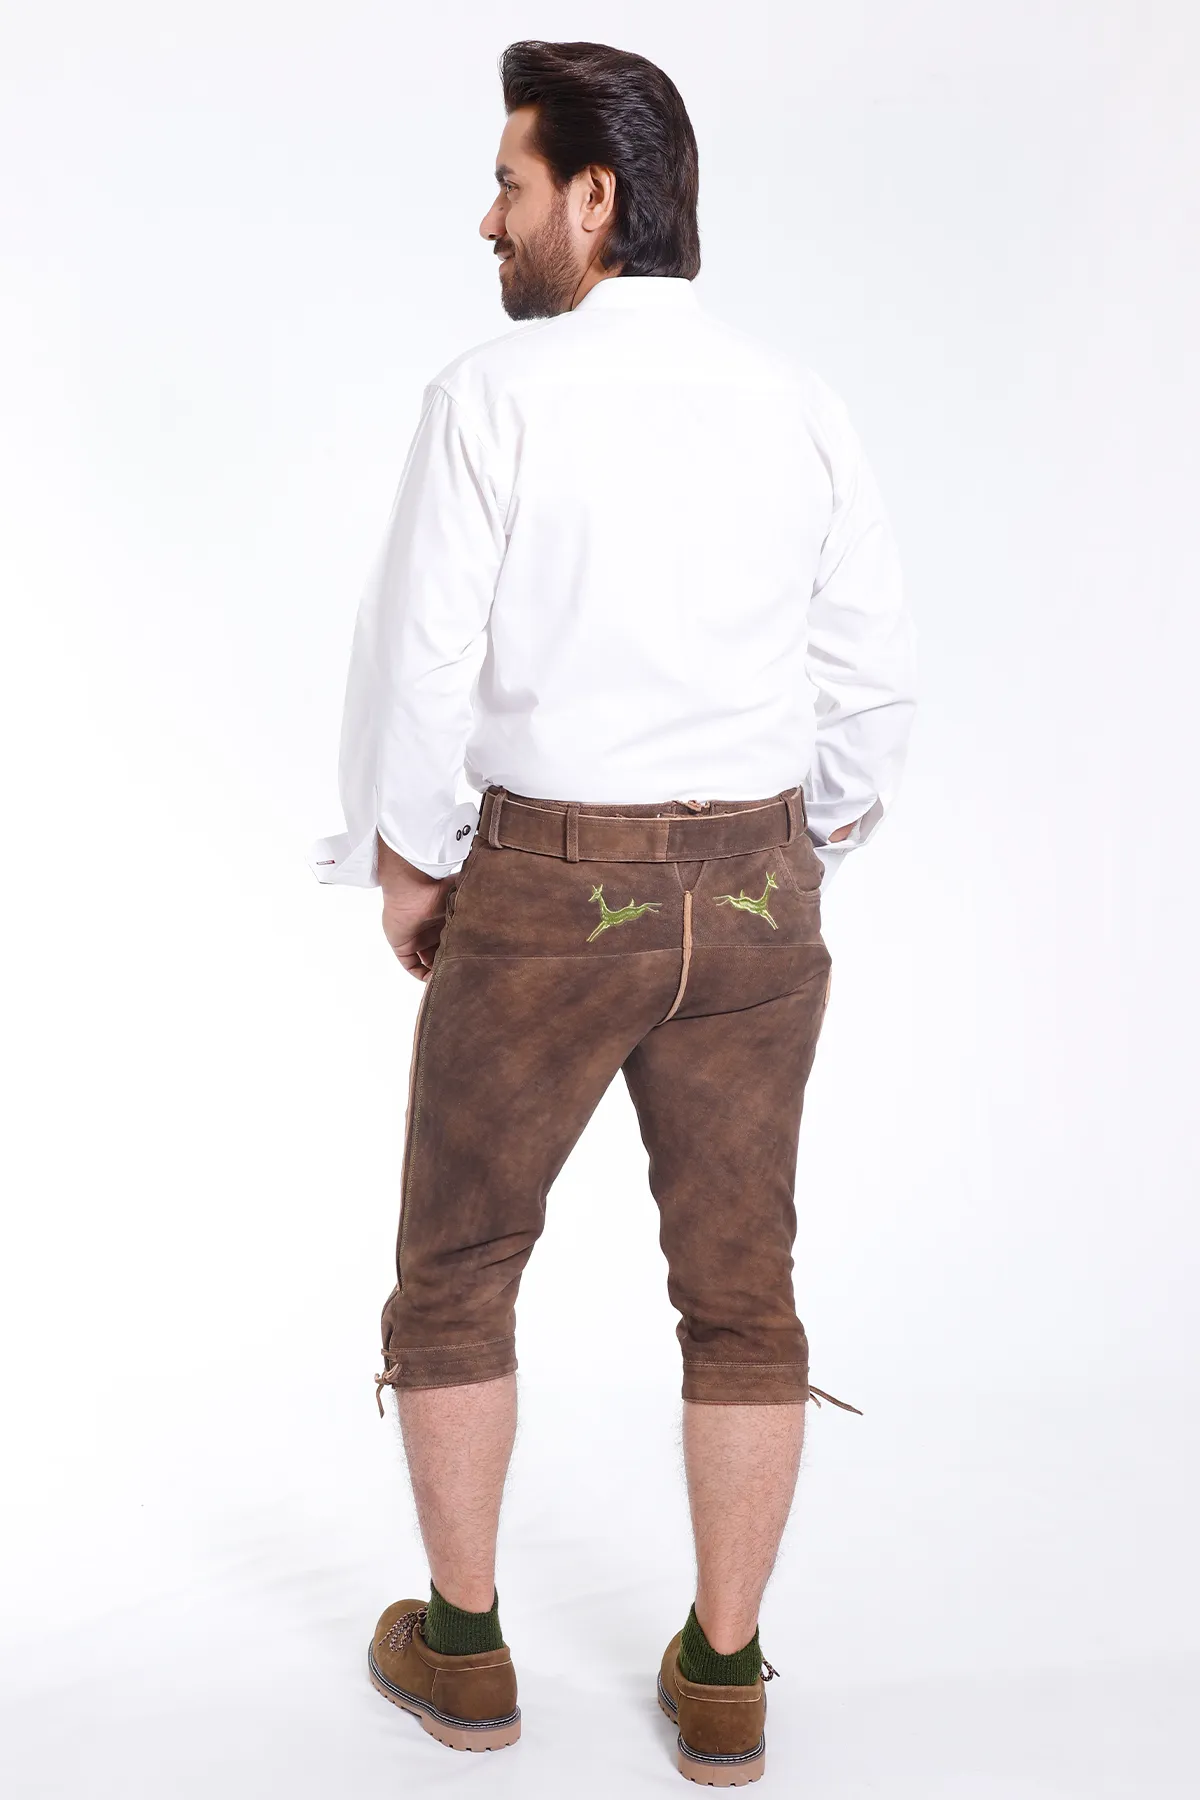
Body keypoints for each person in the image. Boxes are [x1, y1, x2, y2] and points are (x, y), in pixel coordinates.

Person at [309, 37, 917, 1787]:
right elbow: (875, 674)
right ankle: (725, 1677)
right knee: (742, 1291)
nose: (486, 219)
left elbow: (420, 658)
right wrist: (801, 843)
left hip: (547, 888)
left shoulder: (492, 398)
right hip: (759, 890)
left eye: (509, 184)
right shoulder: (798, 399)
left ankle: (466, 1653)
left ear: (597, 196)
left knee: (459, 1269)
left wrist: (412, 860)